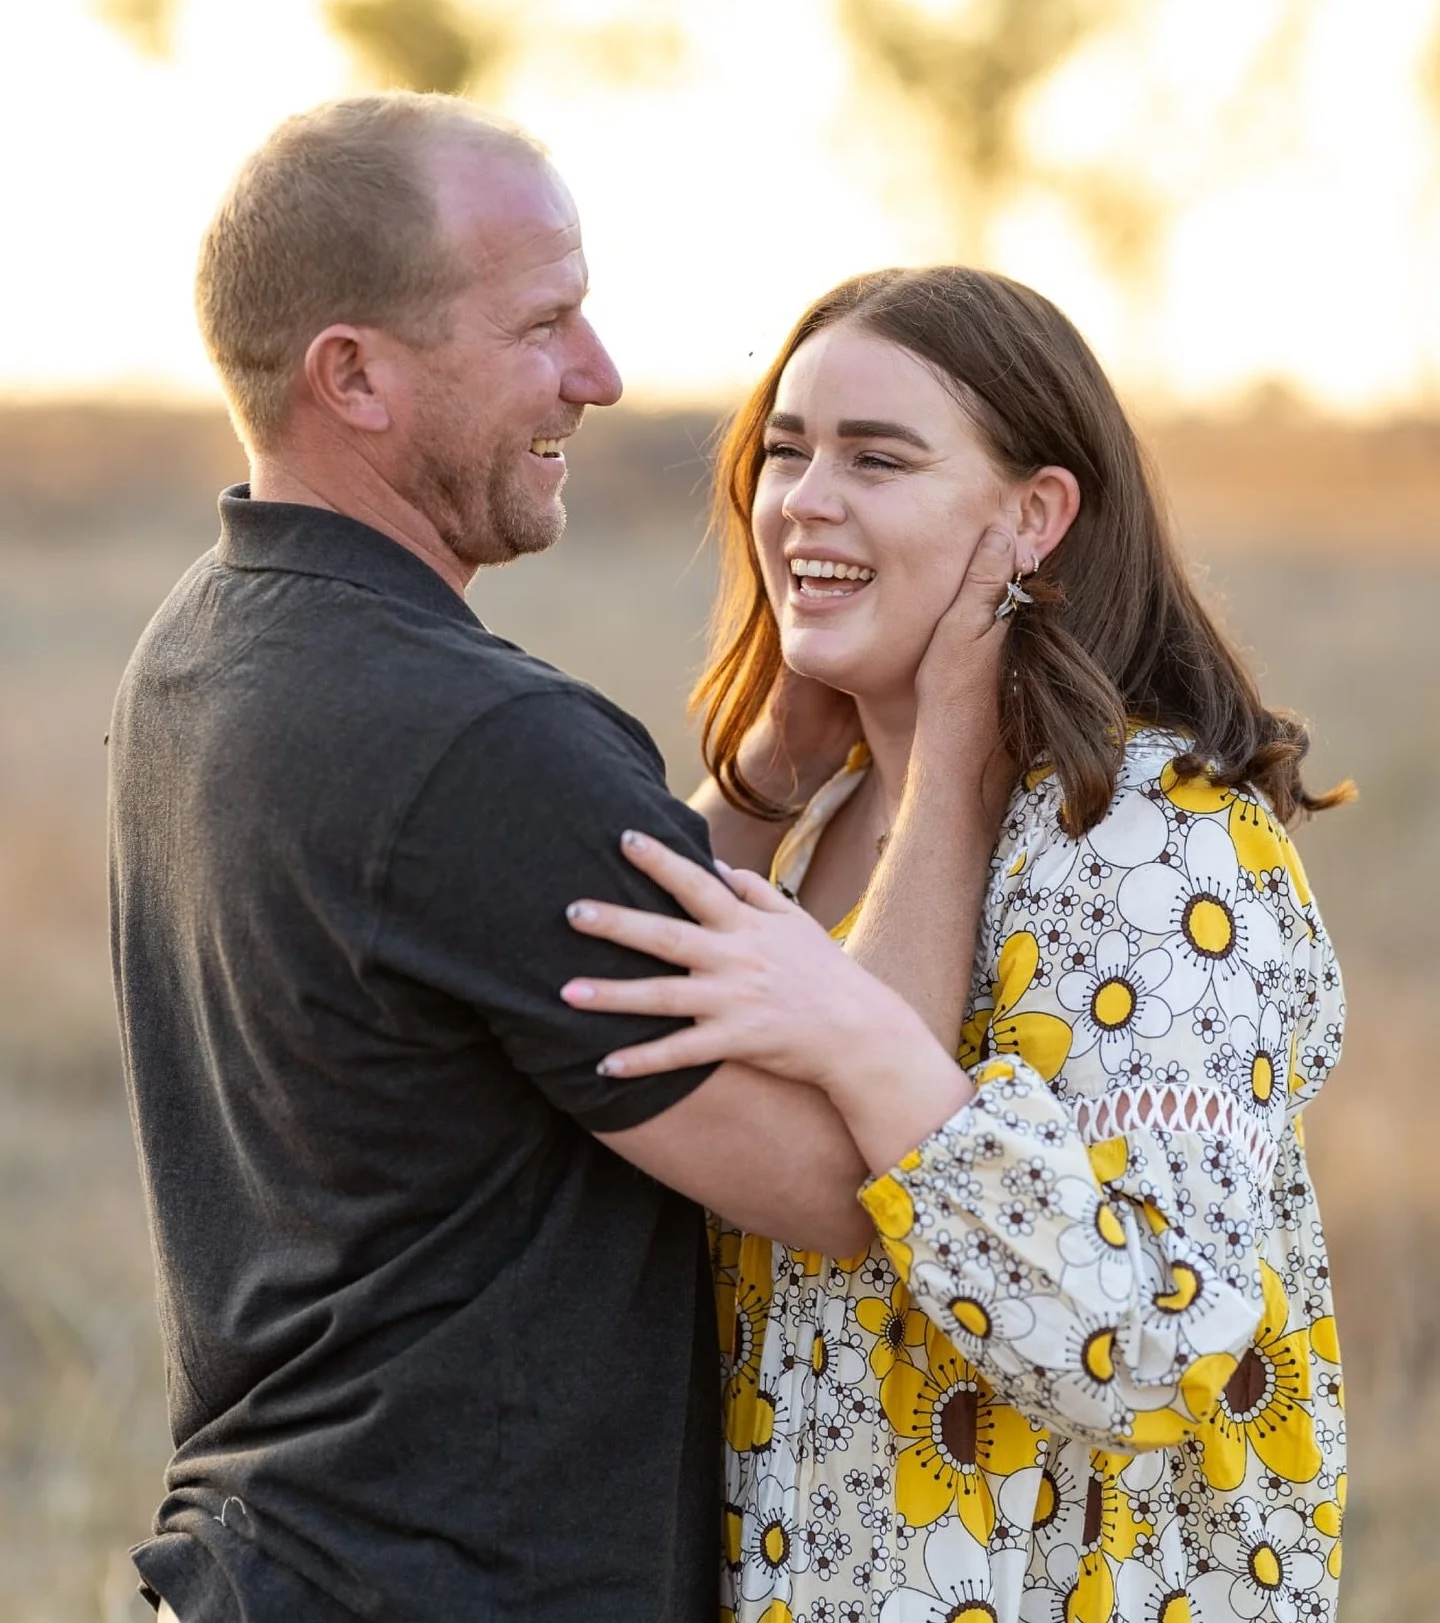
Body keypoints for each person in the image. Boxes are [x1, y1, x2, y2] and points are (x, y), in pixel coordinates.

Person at [107, 98, 1004, 1623]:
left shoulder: (203, 649)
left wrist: (765, 783)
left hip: (282, 1566)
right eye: (545, 324)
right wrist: (958, 758)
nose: (599, 376)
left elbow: (544, 965)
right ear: (356, 376)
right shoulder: (480, 748)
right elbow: (857, 1180)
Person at [559, 267, 1350, 1623]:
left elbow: (1171, 1346)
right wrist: (764, 780)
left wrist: (871, 1051)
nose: (806, 498)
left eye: (878, 458)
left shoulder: (1155, 844)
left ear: (1034, 518)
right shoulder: (829, 828)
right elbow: (608, 1017)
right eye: (786, 452)